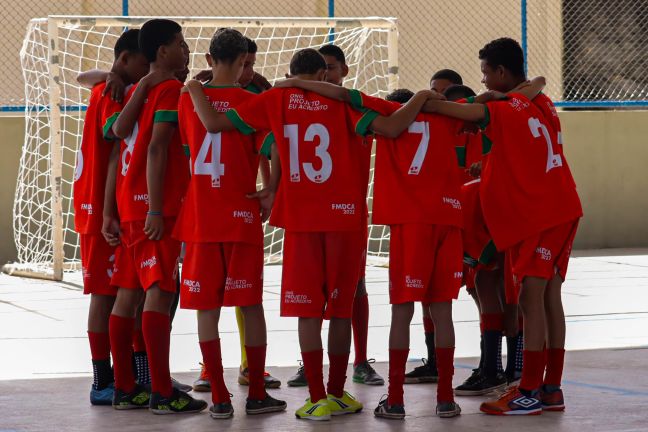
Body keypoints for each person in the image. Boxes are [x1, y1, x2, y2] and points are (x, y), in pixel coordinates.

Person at [185, 48, 436, 421]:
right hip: (346, 221)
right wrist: (422, 97)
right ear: (323, 74)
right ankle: (336, 392)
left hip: (300, 221)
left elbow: (215, 124)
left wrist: (192, 87)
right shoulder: (346, 105)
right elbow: (393, 127)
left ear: (291, 74)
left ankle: (317, 395)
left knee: (307, 311)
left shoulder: (276, 99)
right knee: (339, 311)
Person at [425, 37, 582, 415]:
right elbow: (537, 85)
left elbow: (453, 112)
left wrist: (438, 101)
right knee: (548, 298)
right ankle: (550, 388)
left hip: (539, 214)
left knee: (531, 298)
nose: (482, 83)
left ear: (500, 72)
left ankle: (527, 390)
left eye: (484, 75)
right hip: (562, 204)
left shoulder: (506, 107)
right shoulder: (539, 101)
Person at [174, 28, 286, 420]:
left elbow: (184, 150)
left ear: (208, 60)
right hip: (240, 216)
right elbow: (277, 151)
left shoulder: (188, 100)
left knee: (206, 307)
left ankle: (219, 395)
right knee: (250, 304)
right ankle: (255, 392)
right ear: (243, 62)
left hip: (201, 218)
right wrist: (270, 189)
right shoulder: (250, 102)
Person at [103, 19, 206, 414]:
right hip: (151, 206)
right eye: (180, 44)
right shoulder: (167, 89)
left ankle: (126, 388)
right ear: (162, 51)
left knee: (127, 295)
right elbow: (157, 150)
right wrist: (159, 209)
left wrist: (141, 82)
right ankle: (162, 391)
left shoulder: (137, 89)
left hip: (130, 203)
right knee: (159, 293)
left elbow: (118, 135)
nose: (185, 50)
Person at [286, 43, 385, 388]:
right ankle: (313, 370)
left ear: (343, 70)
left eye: (331, 68)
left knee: (354, 288)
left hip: (348, 216)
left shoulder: (352, 105)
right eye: (321, 69)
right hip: (310, 216)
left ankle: (358, 361)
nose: (325, 75)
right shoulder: (295, 107)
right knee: (310, 299)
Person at [74, 28, 149, 406]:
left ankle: (137, 377)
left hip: (106, 210)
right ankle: (103, 380)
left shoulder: (113, 87)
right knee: (106, 297)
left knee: (128, 296)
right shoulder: (116, 94)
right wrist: (109, 212)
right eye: (143, 59)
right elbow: (116, 155)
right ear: (124, 60)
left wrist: (110, 74)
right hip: (102, 212)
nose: (148, 66)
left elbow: (84, 75)